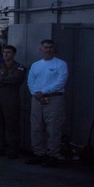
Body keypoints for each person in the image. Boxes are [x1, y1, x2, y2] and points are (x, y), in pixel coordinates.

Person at [26, 39, 69, 167]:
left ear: (54, 48)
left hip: (54, 99)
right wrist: (35, 93)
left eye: (50, 47)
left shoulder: (61, 64)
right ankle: (39, 153)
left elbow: (61, 81)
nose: (48, 49)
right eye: (46, 47)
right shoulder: (36, 65)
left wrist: (43, 92)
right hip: (37, 99)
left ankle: (52, 155)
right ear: (41, 49)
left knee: (53, 128)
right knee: (36, 127)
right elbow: (30, 81)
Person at [0, 45, 25, 159]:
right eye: (4, 52)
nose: (6, 54)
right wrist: (4, 79)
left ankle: (13, 149)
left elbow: (16, 79)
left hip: (11, 97)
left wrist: (1, 79)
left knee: (11, 123)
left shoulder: (19, 67)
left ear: (13, 54)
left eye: (8, 52)